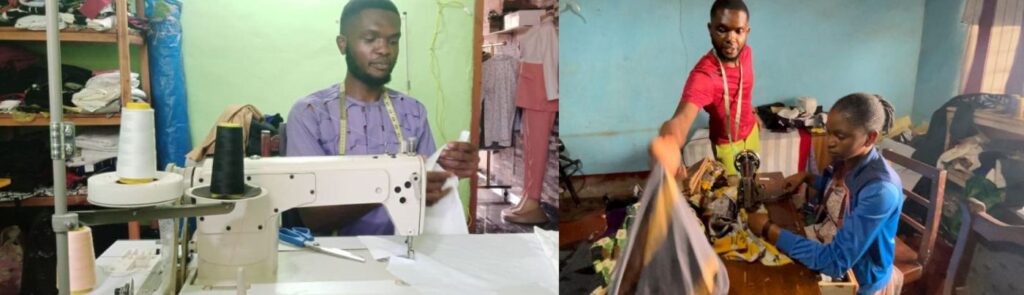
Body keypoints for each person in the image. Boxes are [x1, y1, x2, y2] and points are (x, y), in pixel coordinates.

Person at [285, 0, 479, 235]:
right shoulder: (311, 113)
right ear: (342, 44)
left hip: (403, 250)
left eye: (393, 40)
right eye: (370, 39)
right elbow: (313, 217)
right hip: (334, 255)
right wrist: (396, 185)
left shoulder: (413, 112)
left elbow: (426, 198)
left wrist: (447, 171)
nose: (384, 49)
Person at [747, 93, 904, 295]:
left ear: (870, 137)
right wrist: (806, 177)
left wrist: (769, 229)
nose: (829, 142)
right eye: (828, 132)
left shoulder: (880, 190)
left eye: (839, 136)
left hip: (857, 275)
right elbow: (837, 192)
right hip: (829, 240)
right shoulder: (847, 159)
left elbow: (835, 262)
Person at [651, 0, 759, 179]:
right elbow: (681, 119)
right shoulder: (705, 76)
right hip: (728, 145)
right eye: (722, 30)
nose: (731, 38)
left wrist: (753, 113)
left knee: (753, 183)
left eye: (738, 31)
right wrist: (669, 142)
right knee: (736, 195)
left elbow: (741, 89)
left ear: (747, 31)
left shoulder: (746, 52)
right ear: (710, 28)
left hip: (752, 131)